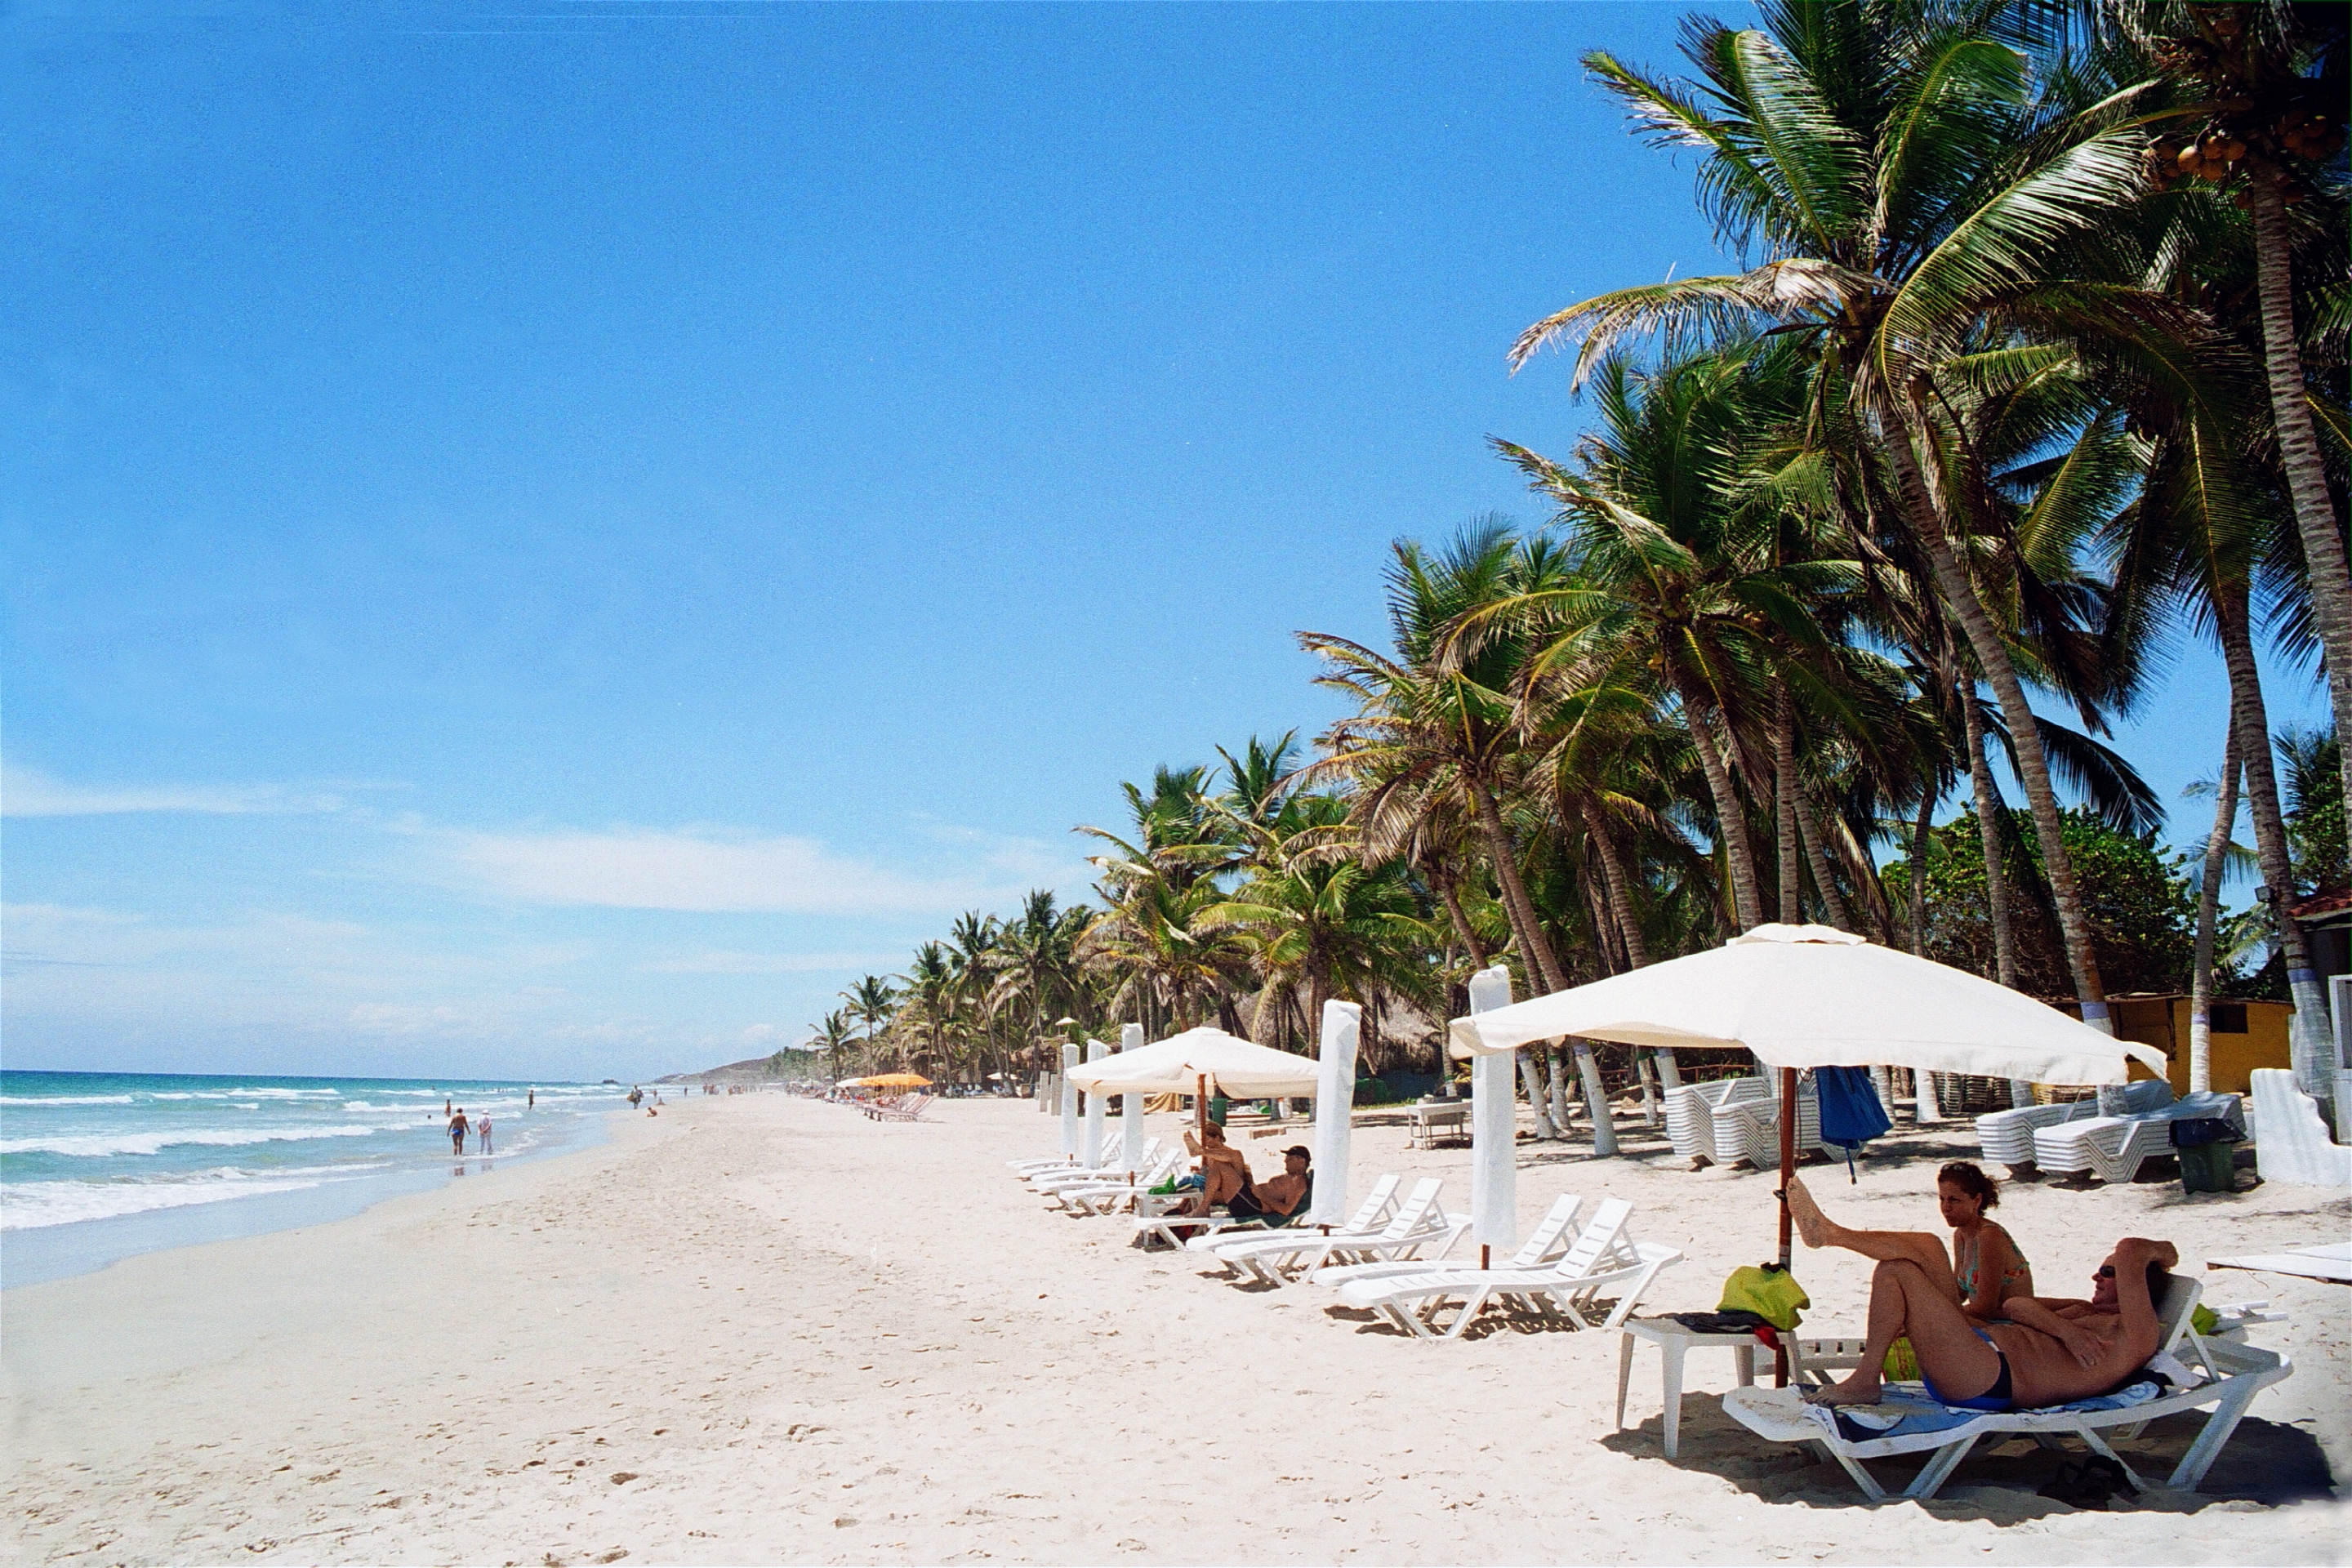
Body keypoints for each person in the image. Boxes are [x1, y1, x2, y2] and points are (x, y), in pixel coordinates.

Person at [1785, 1177, 2176, 1410]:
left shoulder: (2136, 1335)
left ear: (2133, 1283)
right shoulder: (2079, 1311)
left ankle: (1832, 1237)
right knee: (1917, 1253)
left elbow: (2131, 1248)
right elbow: (2015, 1305)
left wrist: (2162, 1257)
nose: (2097, 1275)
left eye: (2108, 1272)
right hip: (1975, 1352)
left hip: (1989, 1380)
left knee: (1902, 1270)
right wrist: (2066, 1331)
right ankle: (1866, 1376)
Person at [1781, 1165, 2031, 1323]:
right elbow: (1960, 1292)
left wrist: (1930, 1316)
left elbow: (1986, 1307)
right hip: (1983, 1319)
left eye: (1954, 1200)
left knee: (1929, 1245)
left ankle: (1832, 1234)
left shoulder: (1990, 1237)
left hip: (2006, 1326)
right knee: (1904, 1264)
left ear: (1976, 1201)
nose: (1946, 1207)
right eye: (1942, 1199)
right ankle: (1830, 1234)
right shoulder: (1962, 1236)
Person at [1167, 1121, 1253, 1218]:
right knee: (1195, 1187)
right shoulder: (1209, 1156)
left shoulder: (1234, 1154)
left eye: (1207, 1139)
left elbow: (1227, 1161)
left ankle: (1187, 1213)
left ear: (1217, 1138)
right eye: (1203, 1140)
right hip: (1217, 1192)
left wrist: (1202, 1152)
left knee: (1198, 1190)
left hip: (1238, 1195)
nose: (1205, 1143)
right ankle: (1181, 1212)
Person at [1228, 1145, 1312, 1223]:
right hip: (1249, 1200)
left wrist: (1261, 1196)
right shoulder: (1289, 1178)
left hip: (1253, 1205)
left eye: (1290, 1158)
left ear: (1302, 1161)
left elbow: (1286, 1210)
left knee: (1227, 1168)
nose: (1285, 1160)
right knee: (1224, 1168)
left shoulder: (1298, 1182)